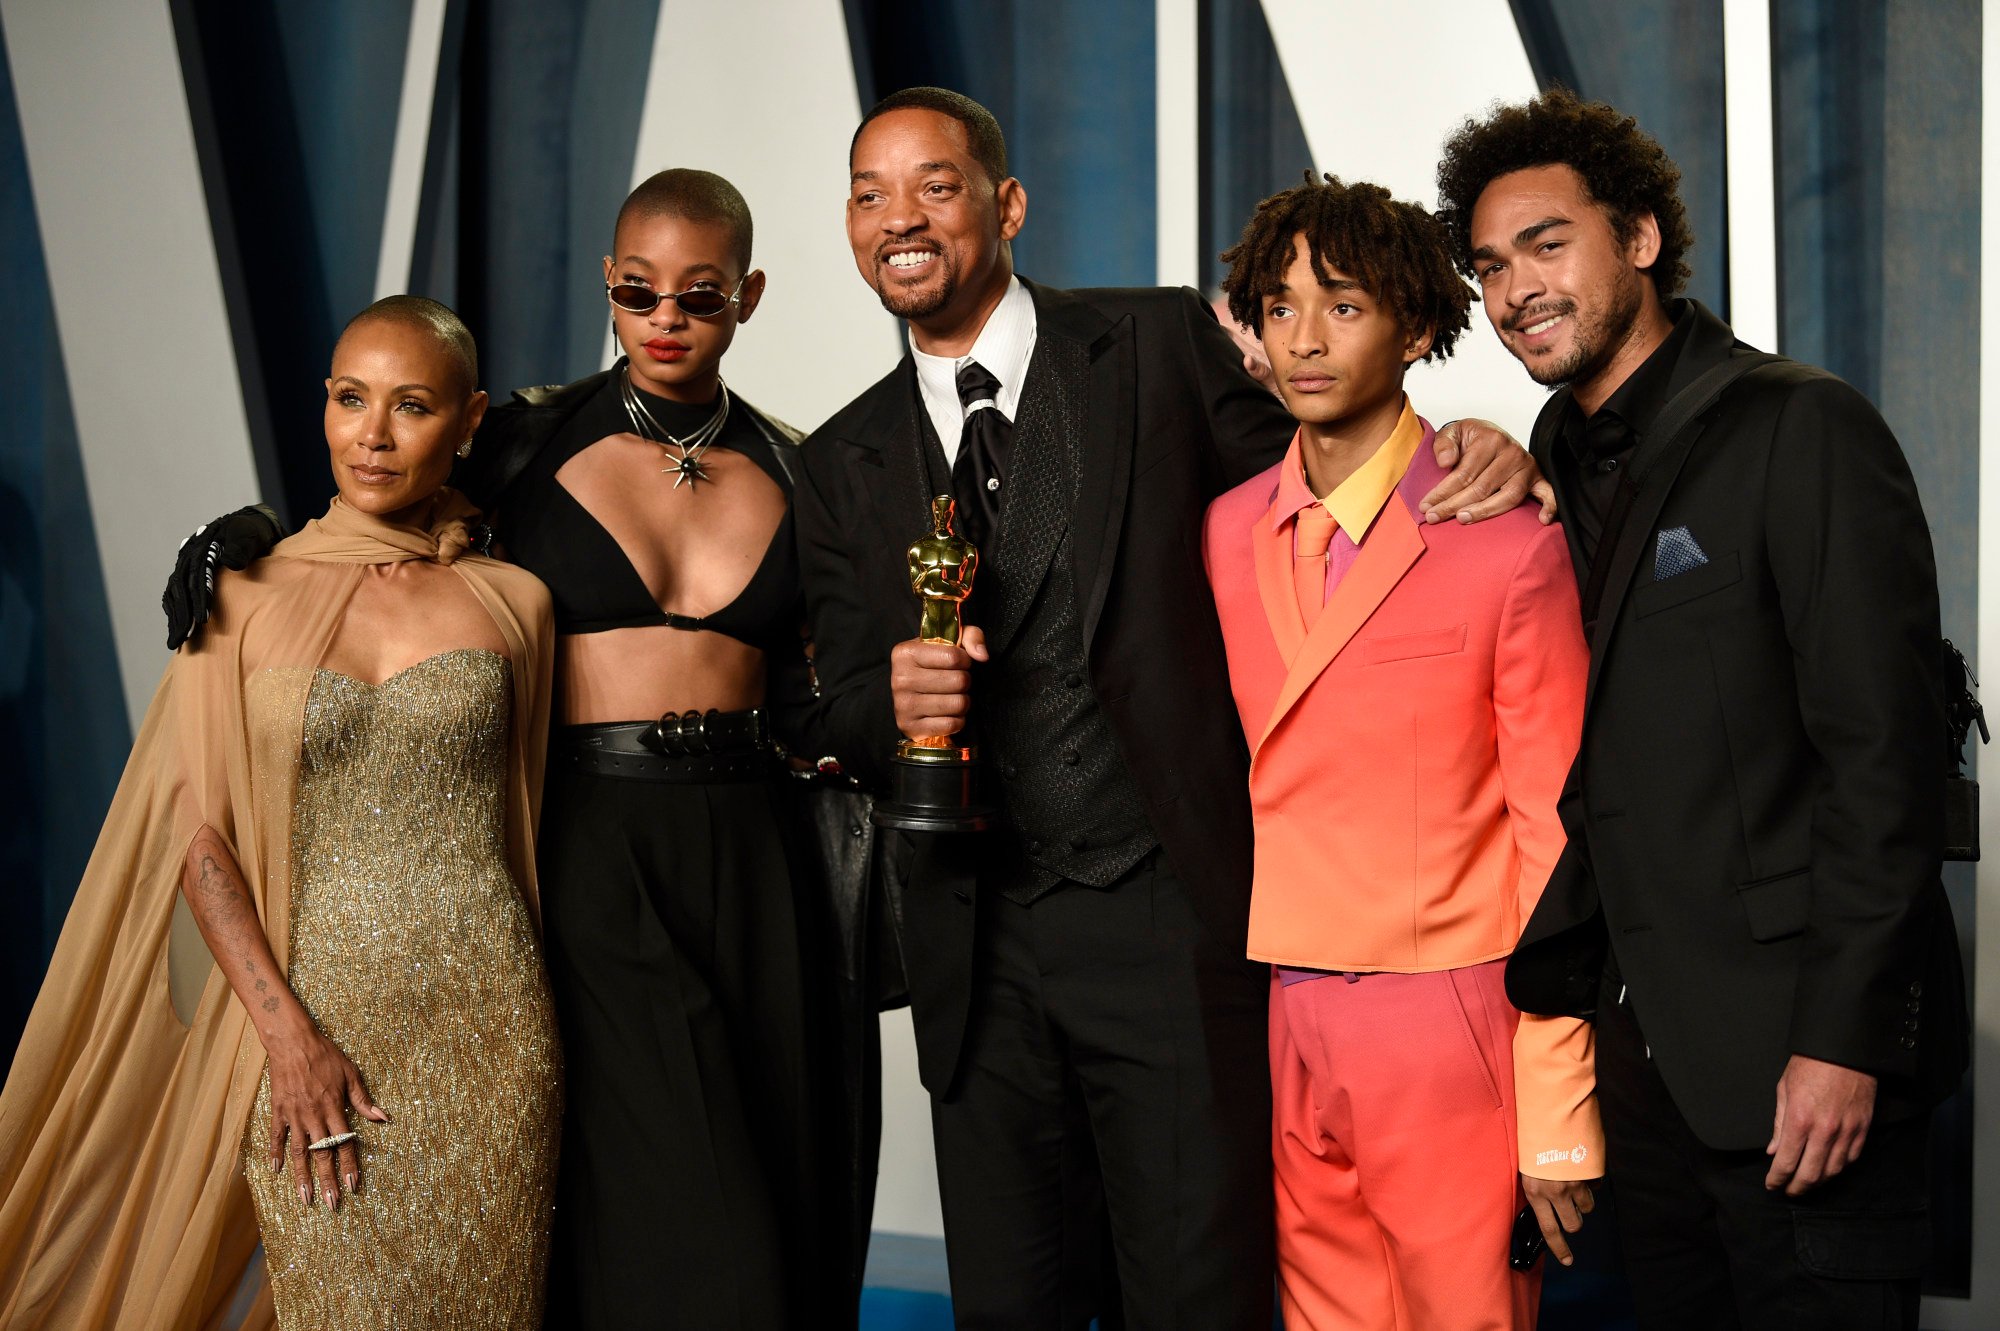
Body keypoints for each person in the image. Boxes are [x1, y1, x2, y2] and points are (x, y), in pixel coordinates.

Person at [795, 85, 1549, 1328]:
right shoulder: (838, 459)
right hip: (976, 951)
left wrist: (1479, 448)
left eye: (934, 183)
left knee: (1196, 1292)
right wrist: (885, 702)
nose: (901, 218)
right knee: (1009, 1303)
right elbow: (829, 712)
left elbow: (1328, 460)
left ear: (1006, 203)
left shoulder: (1151, 344)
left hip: (1166, 911)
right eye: (869, 195)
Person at [158, 171, 870, 1330]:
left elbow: (813, 684)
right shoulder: (526, 439)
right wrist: (245, 533)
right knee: (684, 1207)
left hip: (760, 847)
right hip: (595, 838)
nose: (666, 319)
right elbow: (373, 494)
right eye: (638, 292)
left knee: (785, 1186)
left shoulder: (805, 466)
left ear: (746, 295)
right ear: (607, 284)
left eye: (698, 296)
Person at [1435, 89, 1969, 1329]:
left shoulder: (1800, 424)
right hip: (1652, 1072)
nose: (1514, 289)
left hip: (1805, 1063)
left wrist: (1842, 1044)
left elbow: (1880, 766)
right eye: (1488, 265)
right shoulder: (1557, 453)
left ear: (1637, 240)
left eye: (1545, 244)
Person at [0, 296, 560, 1329]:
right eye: (350, 399)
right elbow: (198, 841)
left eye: (412, 405)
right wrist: (287, 1037)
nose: (373, 434)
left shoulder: (513, 600)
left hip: (492, 1028)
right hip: (310, 1028)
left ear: (470, 418)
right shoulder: (241, 594)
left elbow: (527, 819)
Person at [1202, 174, 1601, 1331]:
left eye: (1342, 304)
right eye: (1278, 309)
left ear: (1417, 326)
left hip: (1452, 1015)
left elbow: (1553, 840)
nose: (1305, 338)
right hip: (1285, 1001)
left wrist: (1557, 1105)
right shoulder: (1225, 530)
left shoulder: (1504, 537)